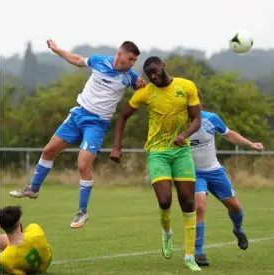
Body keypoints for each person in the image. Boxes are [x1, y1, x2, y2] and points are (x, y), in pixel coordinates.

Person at [9, 40, 146, 229]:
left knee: (82, 164)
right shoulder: (99, 61)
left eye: (135, 60)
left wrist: (142, 85)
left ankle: (82, 212)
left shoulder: (130, 76)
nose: (132, 63)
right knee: (49, 150)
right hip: (78, 115)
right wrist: (57, 50)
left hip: (97, 124)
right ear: (119, 54)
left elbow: (143, 90)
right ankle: (33, 188)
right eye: (130, 59)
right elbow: (77, 59)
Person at [110, 56, 202, 272]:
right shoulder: (146, 92)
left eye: (155, 71)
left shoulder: (186, 86)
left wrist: (184, 134)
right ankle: (167, 232)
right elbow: (123, 116)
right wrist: (116, 146)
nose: (153, 76)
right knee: (164, 199)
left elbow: (197, 119)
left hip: (182, 151)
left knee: (188, 202)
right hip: (157, 152)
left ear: (163, 66)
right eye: (149, 73)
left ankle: (190, 257)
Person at [189, 91, 264, 266]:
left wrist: (251, 144)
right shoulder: (179, 122)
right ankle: (199, 252)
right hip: (193, 174)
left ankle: (238, 229)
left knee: (235, 206)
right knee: (199, 206)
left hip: (214, 171)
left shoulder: (211, 119)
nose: (194, 104)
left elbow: (229, 134)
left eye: (197, 101)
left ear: (202, 105)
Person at [0, 206, 52, 275]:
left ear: (1, 227)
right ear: (19, 223)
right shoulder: (35, 229)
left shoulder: (4, 259)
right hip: (46, 262)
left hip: (18, 260)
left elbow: (22, 273)